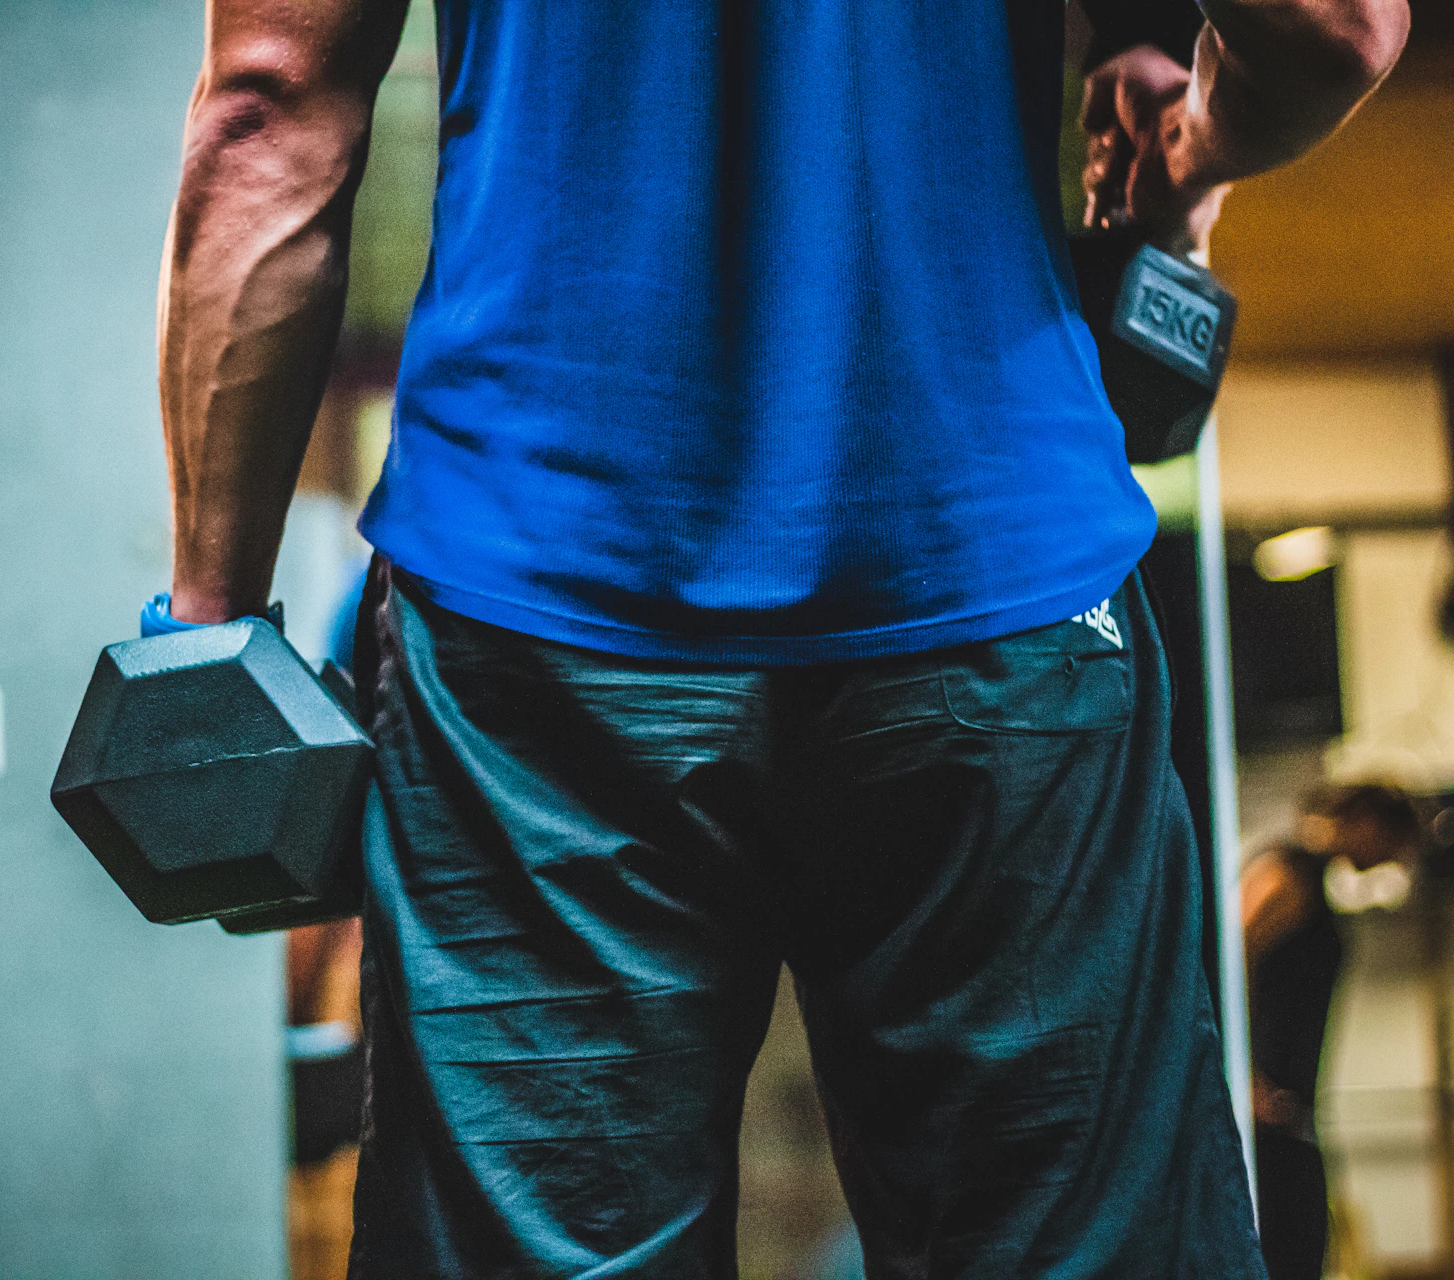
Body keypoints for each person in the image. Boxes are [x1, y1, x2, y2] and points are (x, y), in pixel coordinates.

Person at [143, 0, 1409, 1272]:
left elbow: (269, 100)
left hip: (542, 609)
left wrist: (209, 627)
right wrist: (1195, 143)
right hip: (986, 565)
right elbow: (1333, 27)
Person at [1242, 784, 1421, 1280]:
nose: (1393, 857)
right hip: (1267, 1112)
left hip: (1290, 1109)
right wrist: (1243, 1075)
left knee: (1306, 1246)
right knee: (1291, 1249)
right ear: (1364, 819)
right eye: (1394, 839)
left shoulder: (1311, 879)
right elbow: (1225, 962)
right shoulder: (1288, 873)